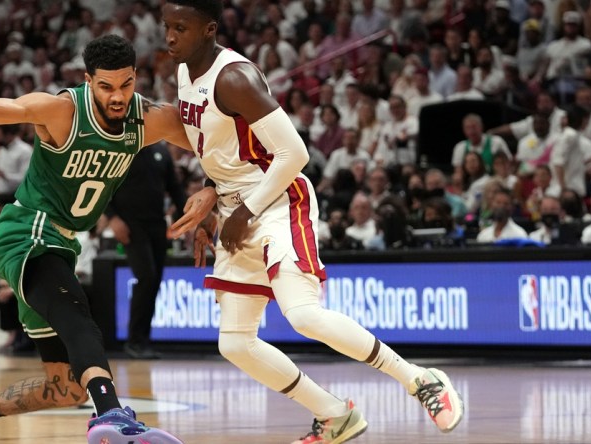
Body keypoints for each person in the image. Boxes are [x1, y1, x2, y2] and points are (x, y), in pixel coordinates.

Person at [162, 2, 464, 443]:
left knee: (303, 313)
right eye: (166, 27)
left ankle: (420, 379)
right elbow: (224, 148)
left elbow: (294, 154)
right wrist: (212, 197)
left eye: (181, 28)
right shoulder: (186, 73)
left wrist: (244, 212)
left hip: (278, 199)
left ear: (209, 30)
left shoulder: (234, 78)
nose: (170, 37)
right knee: (234, 342)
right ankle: (333, 413)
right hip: (234, 206)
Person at [0, 35, 189, 444]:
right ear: (88, 80)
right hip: (24, 232)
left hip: (62, 242)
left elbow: (213, 146)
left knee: (64, 388)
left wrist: (211, 187)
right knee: (76, 314)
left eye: (126, 84)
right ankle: (112, 414)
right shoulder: (61, 110)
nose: (117, 96)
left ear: (136, 78)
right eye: (106, 86)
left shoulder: (147, 119)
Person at [105, 141, 186, 359]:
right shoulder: (119, 149)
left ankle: (142, 340)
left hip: (157, 224)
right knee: (146, 277)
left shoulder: (161, 151)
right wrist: (113, 218)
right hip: (130, 225)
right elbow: (102, 186)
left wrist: (189, 215)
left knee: (155, 280)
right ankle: (134, 341)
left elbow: (175, 188)